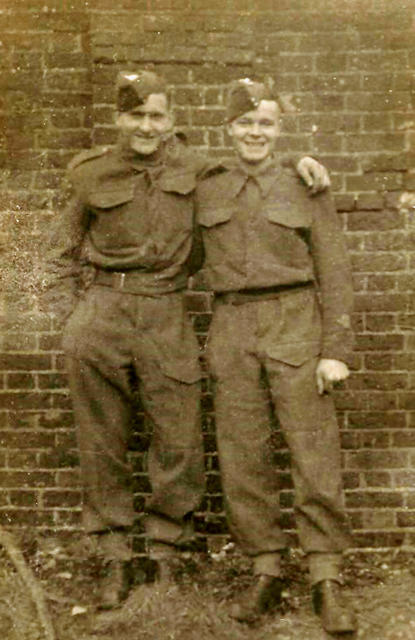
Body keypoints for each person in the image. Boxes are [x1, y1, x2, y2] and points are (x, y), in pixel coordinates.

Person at [42, 69, 331, 610]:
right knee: (101, 440)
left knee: (177, 440)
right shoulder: (89, 174)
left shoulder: (199, 170)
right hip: (101, 309)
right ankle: (115, 560)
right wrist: (71, 317)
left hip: (167, 309)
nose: (147, 127)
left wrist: (299, 161)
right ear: (118, 119)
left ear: (172, 120)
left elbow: (257, 165)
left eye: (157, 116)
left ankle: (165, 555)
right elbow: (60, 250)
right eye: (136, 116)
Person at [196, 78, 357, 635]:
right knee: (243, 456)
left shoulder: (304, 183)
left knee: (313, 452)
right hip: (232, 324)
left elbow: (334, 268)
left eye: (265, 123)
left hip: (295, 322)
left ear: (279, 130)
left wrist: (335, 349)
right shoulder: (206, 185)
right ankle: (264, 569)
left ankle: (325, 576)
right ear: (229, 130)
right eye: (245, 123)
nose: (255, 133)